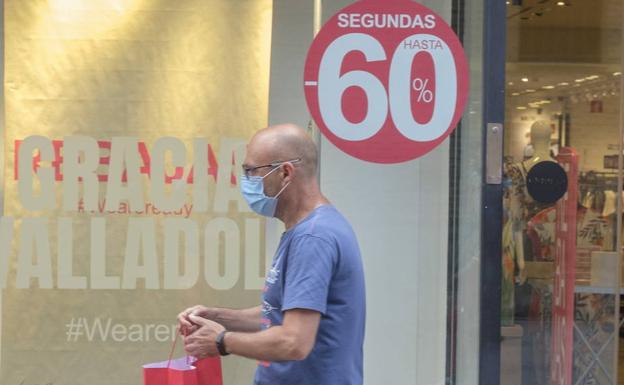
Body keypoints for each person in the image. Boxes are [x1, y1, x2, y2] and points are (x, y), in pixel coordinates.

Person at [177, 123, 366, 385]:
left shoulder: (313, 237)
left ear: (285, 173)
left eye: (251, 171)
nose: (245, 181)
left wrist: (222, 341)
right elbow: (277, 314)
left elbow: (294, 341)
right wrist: (216, 317)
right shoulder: (305, 231)